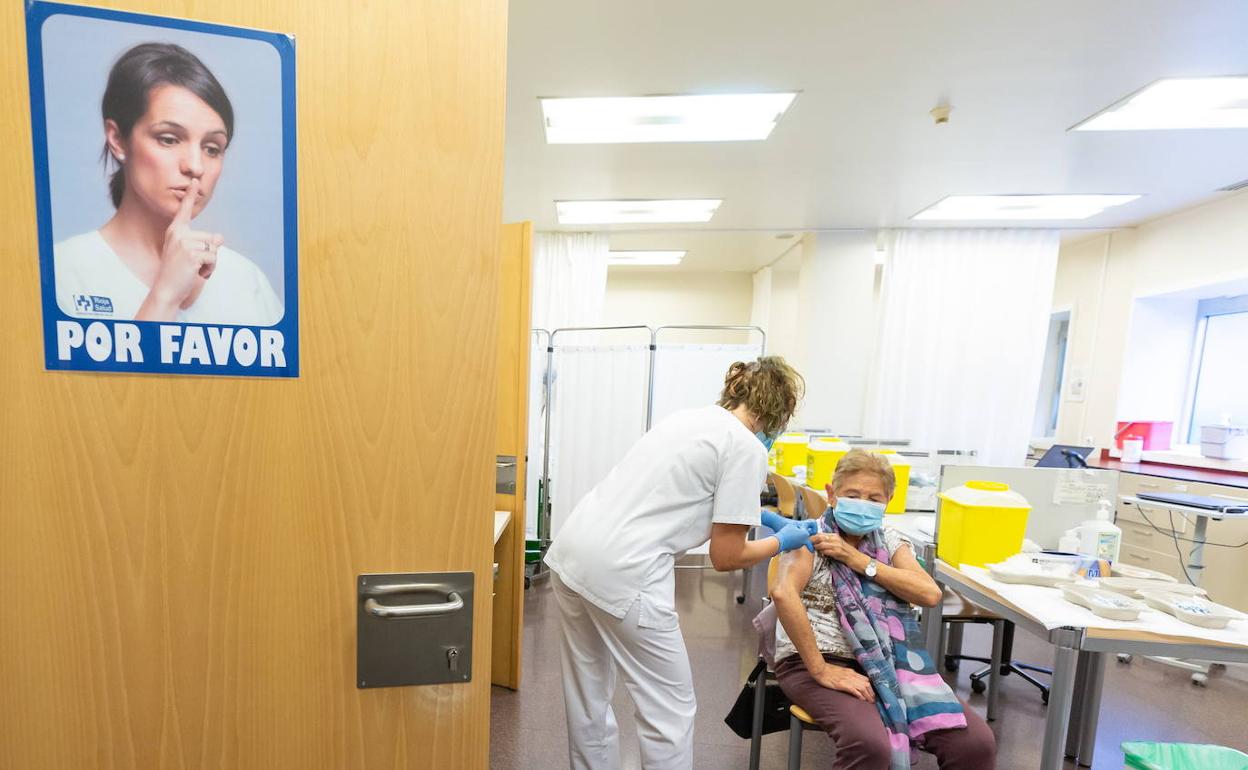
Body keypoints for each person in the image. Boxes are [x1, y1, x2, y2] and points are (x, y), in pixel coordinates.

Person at [545, 356, 813, 770]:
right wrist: (781, 541)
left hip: (574, 555)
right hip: (626, 572)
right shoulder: (745, 447)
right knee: (668, 708)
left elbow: (679, 491)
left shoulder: (689, 419)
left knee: (588, 698)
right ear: (776, 411)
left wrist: (757, 516)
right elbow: (727, 557)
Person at [771, 449, 996, 769]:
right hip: (816, 660)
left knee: (975, 744)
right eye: (853, 494)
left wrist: (860, 561)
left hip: (889, 660)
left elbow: (929, 594)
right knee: (872, 746)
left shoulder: (888, 541)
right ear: (831, 494)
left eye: (873, 498)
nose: (863, 503)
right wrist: (821, 670)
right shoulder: (809, 536)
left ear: (888, 501)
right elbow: (782, 593)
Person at [54, 42, 282, 326]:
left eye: (212, 148)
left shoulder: (246, 282)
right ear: (117, 139)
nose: (195, 166)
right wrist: (164, 297)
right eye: (169, 139)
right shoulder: (61, 273)